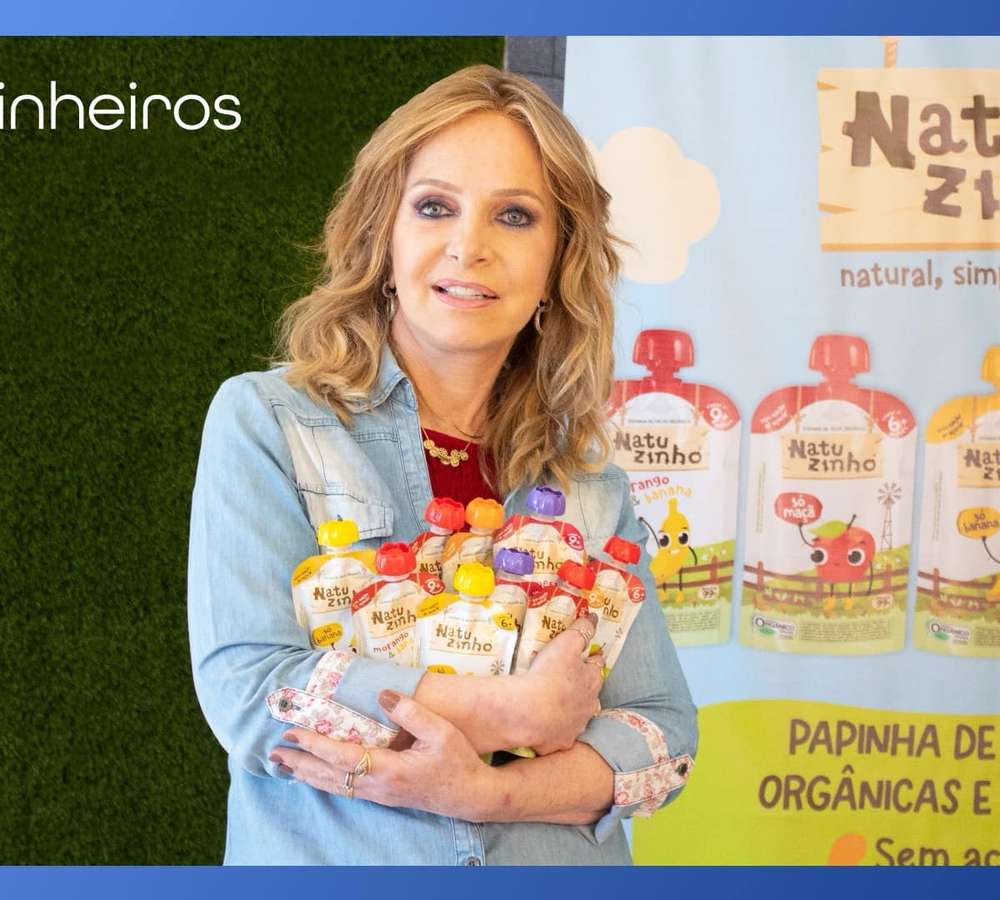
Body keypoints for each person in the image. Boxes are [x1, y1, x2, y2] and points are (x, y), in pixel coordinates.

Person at [187, 64, 697, 865]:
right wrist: (518, 714)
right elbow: (254, 696)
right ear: (382, 238)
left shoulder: (589, 482)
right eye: (434, 207)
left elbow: (663, 741)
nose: (470, 246)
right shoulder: (270, 422)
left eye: (515, 216)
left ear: (558, 262)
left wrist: (480, 793)